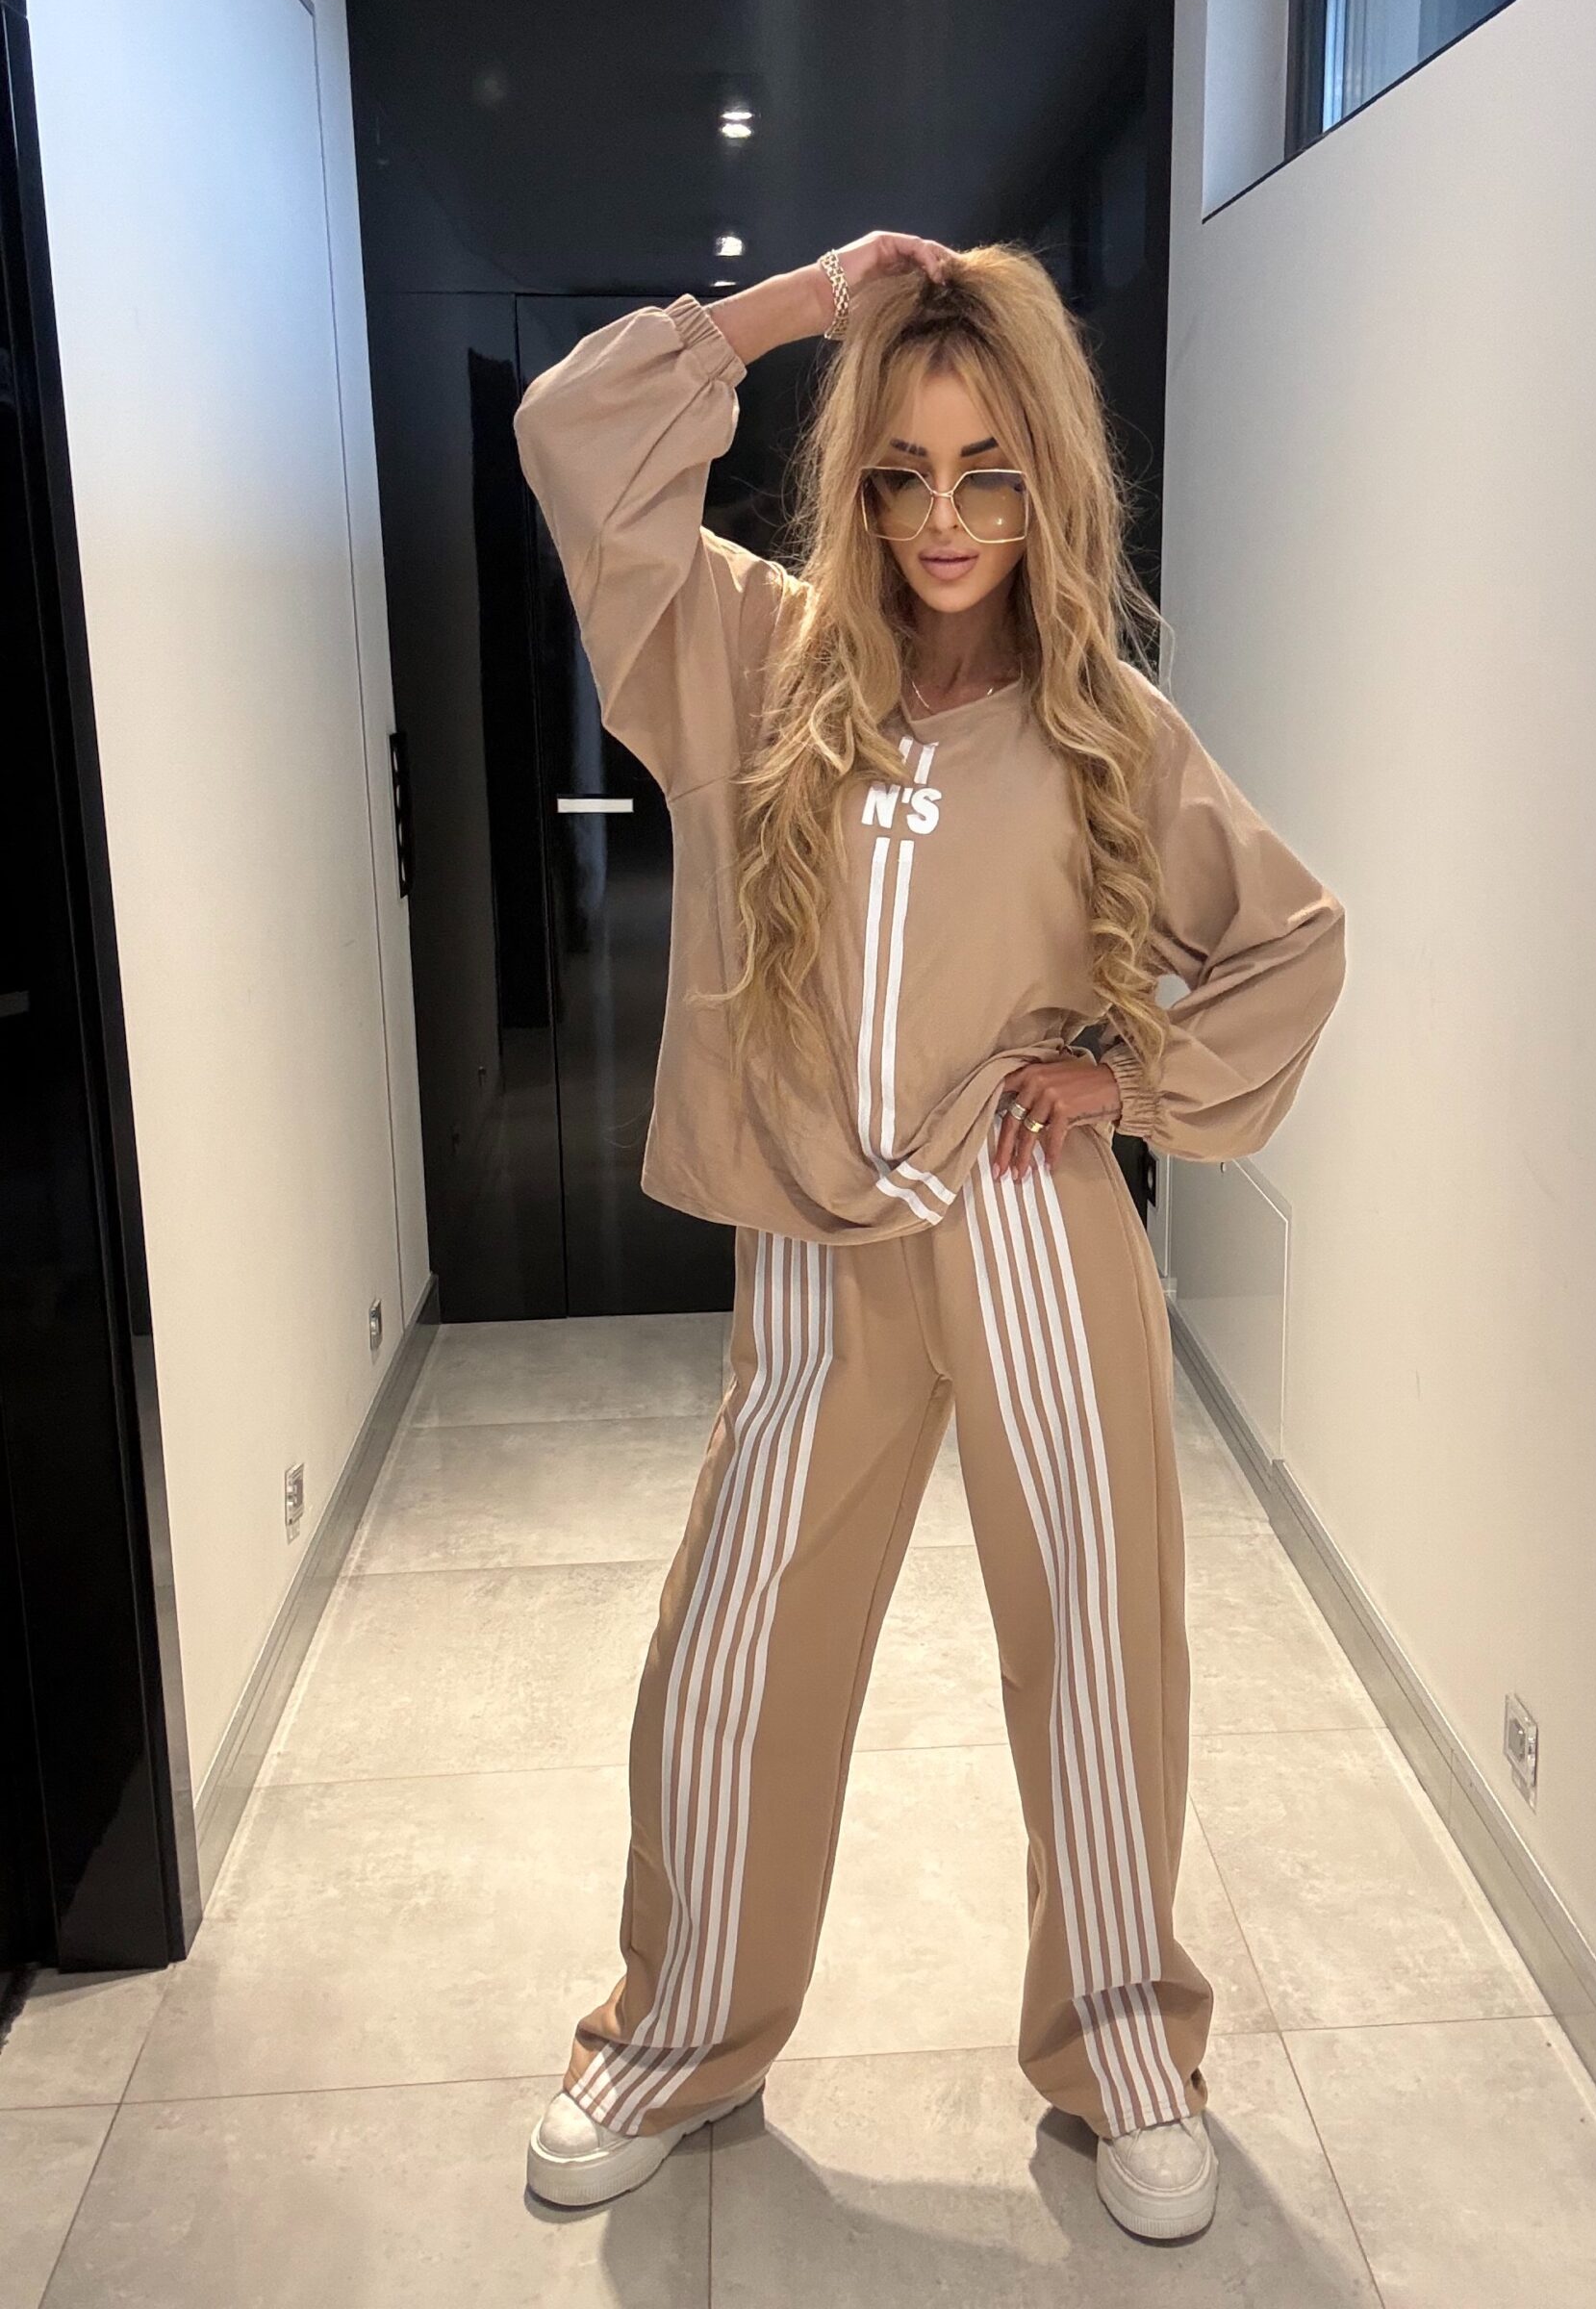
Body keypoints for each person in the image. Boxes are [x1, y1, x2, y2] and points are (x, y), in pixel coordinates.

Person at [510, 235, 1346, 2243]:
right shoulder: (752, 655)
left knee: (1099, 1646)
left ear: (1047, 479)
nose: (948, 518)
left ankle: (1125, 2050)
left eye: (989, 472)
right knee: (735, 1645)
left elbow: (1291, 941)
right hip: (816, 1244)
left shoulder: (1104, 723)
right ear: (858, 485)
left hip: (1036, 1225)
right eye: (903, 472)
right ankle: (676, 2033)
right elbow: (574, 431)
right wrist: (803, 301)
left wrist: (1122, 1085)